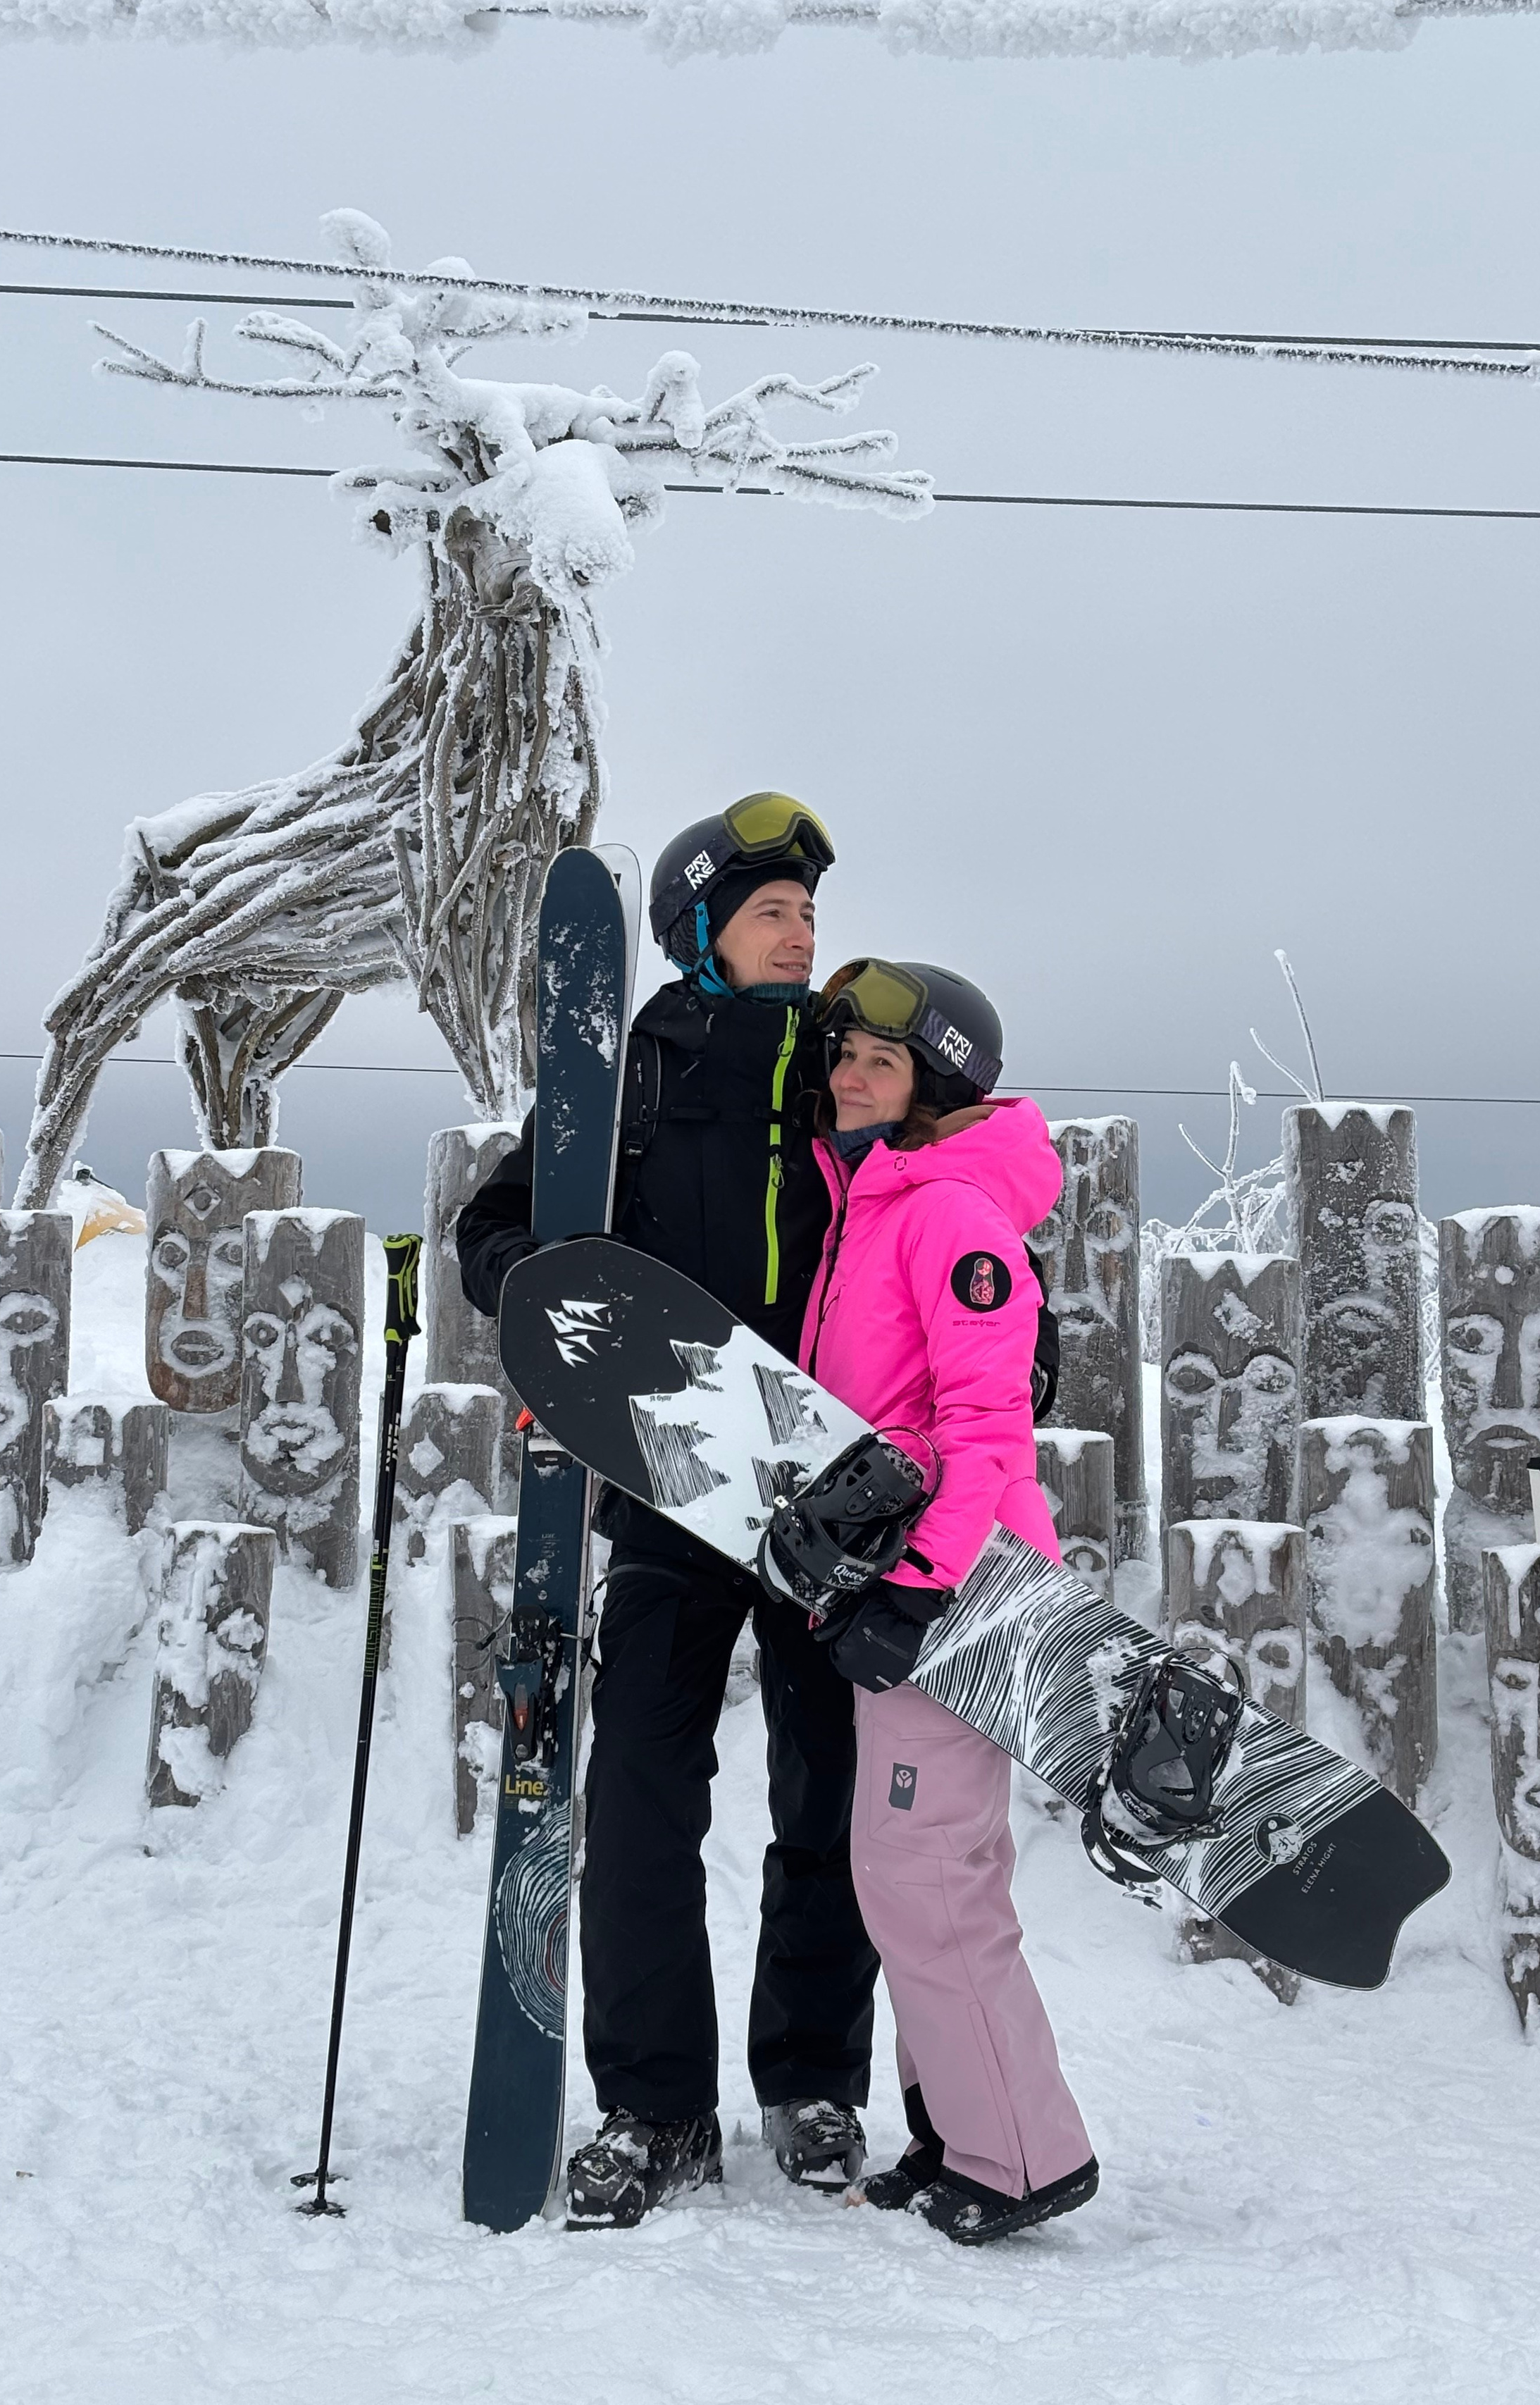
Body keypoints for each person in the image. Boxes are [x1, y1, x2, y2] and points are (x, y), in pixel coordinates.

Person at [454, 795, 879, 2227]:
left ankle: (812, 2080)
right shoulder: (629, 1075)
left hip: (827, 1489)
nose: (801, 936)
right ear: (698, 932)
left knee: (825, 1788)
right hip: (670, 1476)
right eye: (773, 913)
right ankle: (655, 2107)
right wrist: (538, 1280)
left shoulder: (850, 1074)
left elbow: (951, 1225)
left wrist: (1018, 1339)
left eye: (810, 917)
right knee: (638, 1790)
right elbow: (498, 1226)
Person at [800, 956, 1100, 2245]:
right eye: (844, 1054)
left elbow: (987, 1434)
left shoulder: (951, 1216)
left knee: (928, 1874)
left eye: (879, 1057)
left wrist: (919, 1592)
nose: (849, 1074)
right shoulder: (881, 1200)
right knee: (910, 1868)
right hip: (911, 1581)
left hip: (960, 1589)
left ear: (940, 1079)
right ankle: (956, 2128)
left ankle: (1022, 2156)